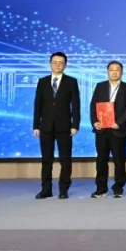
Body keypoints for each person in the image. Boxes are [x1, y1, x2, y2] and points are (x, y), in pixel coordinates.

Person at [32, 52, 81, 199]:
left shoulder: (71, 82)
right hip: (46, 126)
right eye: (55, 62)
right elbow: (38, 105)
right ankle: (46, 190)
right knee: (46, 159)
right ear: (50, 64)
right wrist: (36, 125)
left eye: (61, 63)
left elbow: (76, 105)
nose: (58, 65)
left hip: (64, 126)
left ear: (65, 65)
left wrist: (75, 125)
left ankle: (63, 190)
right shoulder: (42, 82)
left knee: (65, 159)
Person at [89, 61, 126, 198]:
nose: (114, 72)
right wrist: (95, 122)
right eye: (111, 70)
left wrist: (119, 122)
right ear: (107, 71)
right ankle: (101, 188)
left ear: (122, 72)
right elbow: (93, 105)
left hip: (118, 129)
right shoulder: (100, 86)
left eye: (117, 70)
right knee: (101, 160)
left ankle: (118, 188)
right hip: (102, 129)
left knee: (119, 161)